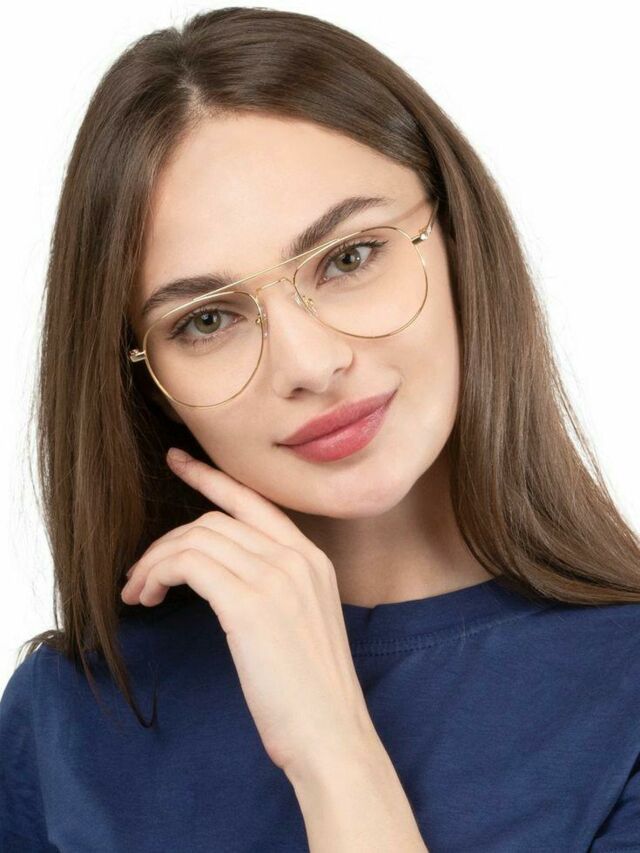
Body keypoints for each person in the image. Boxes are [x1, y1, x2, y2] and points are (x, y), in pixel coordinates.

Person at [1, 7, 639, 852]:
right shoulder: (68, 720)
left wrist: (332, 750)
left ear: (457, 237)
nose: (309, 361)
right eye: (207, 319)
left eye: (348, 257)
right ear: (147, 381)